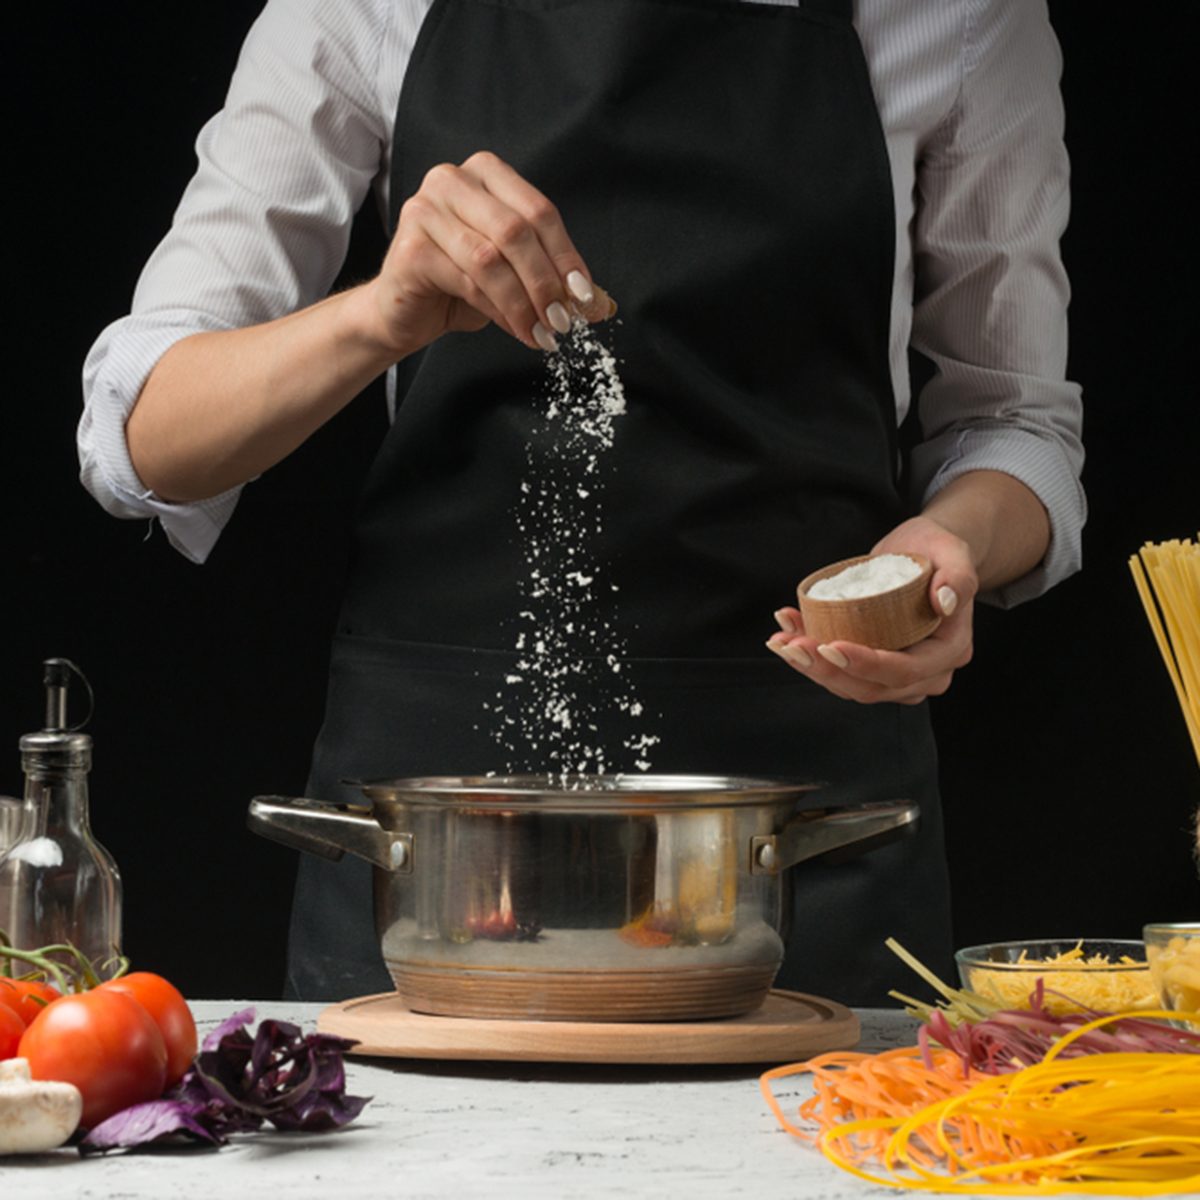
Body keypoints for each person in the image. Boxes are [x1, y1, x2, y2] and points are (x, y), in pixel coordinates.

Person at [79, 0, 1085, 1005]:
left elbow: (1013, 424)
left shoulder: (956, 17)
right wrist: (382, 314)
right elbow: (147, 441)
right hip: (440, 830)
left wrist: (948, 549)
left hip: (795, 822)